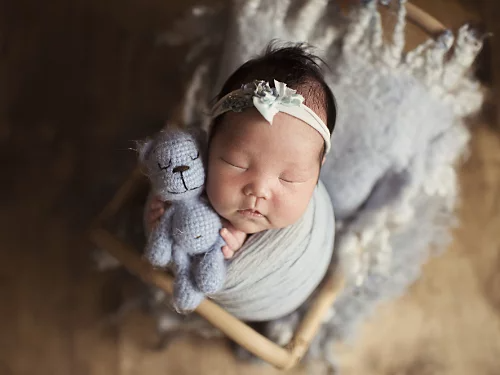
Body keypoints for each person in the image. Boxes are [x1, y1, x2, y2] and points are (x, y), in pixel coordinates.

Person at [146, 42, 336, 259]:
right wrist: (168, 224)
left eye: (289, 178)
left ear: (317, 171)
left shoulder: (305, 234)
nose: (259, 190)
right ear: (210, 144)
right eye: (237, 164)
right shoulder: (189, 178)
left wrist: (242, 251)